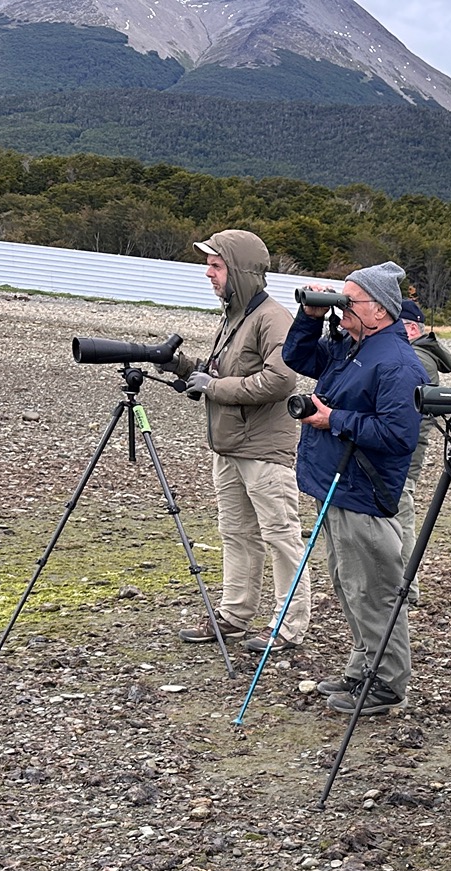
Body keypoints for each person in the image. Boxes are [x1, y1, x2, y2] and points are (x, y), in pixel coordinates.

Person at [282, 261, 427, 716]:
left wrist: (333, 420)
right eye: (340, 299)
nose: (342, 308)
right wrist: (309, 315)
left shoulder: (398, 363)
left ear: (381, 311)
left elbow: (398, 436)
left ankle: (386, 683)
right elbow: (297, 358)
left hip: (365, 491)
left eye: (351, 300)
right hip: (339, 486)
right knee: (349, 585)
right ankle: (364, 665)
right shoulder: (354, 347)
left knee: (374, 589)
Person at [167, 230, 304, 650]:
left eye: (216, 265)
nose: (207, 274)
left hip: (264, 450)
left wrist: (213, 388)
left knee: (281, 536)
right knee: (236, 533)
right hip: (229, 447)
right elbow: (223, 374)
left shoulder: (272, 318)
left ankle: (289, 627)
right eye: (208, 265)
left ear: (239, 270)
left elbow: (281, 380)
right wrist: (179, 366)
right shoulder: (234, 316)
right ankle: (233, 615)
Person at [395, 298, 451, 603]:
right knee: (400, 508)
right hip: (411, 447)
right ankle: (406, 586)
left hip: (405, 450)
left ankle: (407, 588)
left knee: (401, 511)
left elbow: (407, 413)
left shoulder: (417, 357)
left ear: (408, 328)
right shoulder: (420, 354)